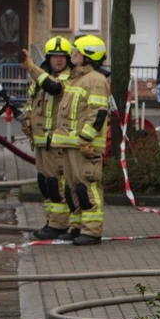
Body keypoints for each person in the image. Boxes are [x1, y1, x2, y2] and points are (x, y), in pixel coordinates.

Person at [52, 34, 111, 245]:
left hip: (85, 145)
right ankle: (77, 226)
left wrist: (86, 137)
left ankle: (92, 231)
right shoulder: (77, 78)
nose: (73, 54)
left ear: (88, 55)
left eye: (77, 51)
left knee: (87, 187)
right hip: (72, 144)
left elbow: (98, 113)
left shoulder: (96, 80)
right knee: (72, 188)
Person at [19, 37, 74, 240]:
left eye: (62, 56)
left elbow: (53, 87)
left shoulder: (68, 79)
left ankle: (59, 225)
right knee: (44, 183)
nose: (58, 60)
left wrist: (32, 68)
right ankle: (51, 221)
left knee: (55, 184)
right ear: (48, 59)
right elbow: (32, 104)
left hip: (56, 142)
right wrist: (27, 123)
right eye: (54, 56)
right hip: (41, 142)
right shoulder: (40, 80)